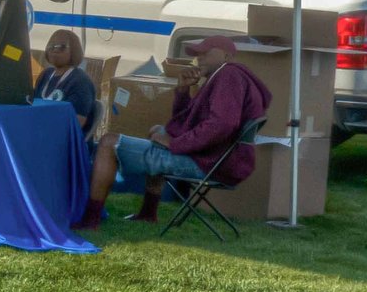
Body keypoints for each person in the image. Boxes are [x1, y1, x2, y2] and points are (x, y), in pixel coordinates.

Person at [80, 35, 270, 228]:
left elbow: (221, 125)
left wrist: (175, 144)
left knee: (108, 142)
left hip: (209, 164)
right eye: (198, 54)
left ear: (227, 56)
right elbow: (182, 123)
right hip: (212, 158)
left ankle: (90, 219)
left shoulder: (228, 76)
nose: (199, 58)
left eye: (206, 53)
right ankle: (148, 213)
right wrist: (182, 91)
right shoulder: (222, 77)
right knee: (158, 130)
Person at [34, 28, 99, 136]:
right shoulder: (45, 75)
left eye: (61, 47)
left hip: (65, 141)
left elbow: (76, 124)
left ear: (74, 50)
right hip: (39, 132)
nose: (55, 50)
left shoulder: (80, 81)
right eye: (51, 46)